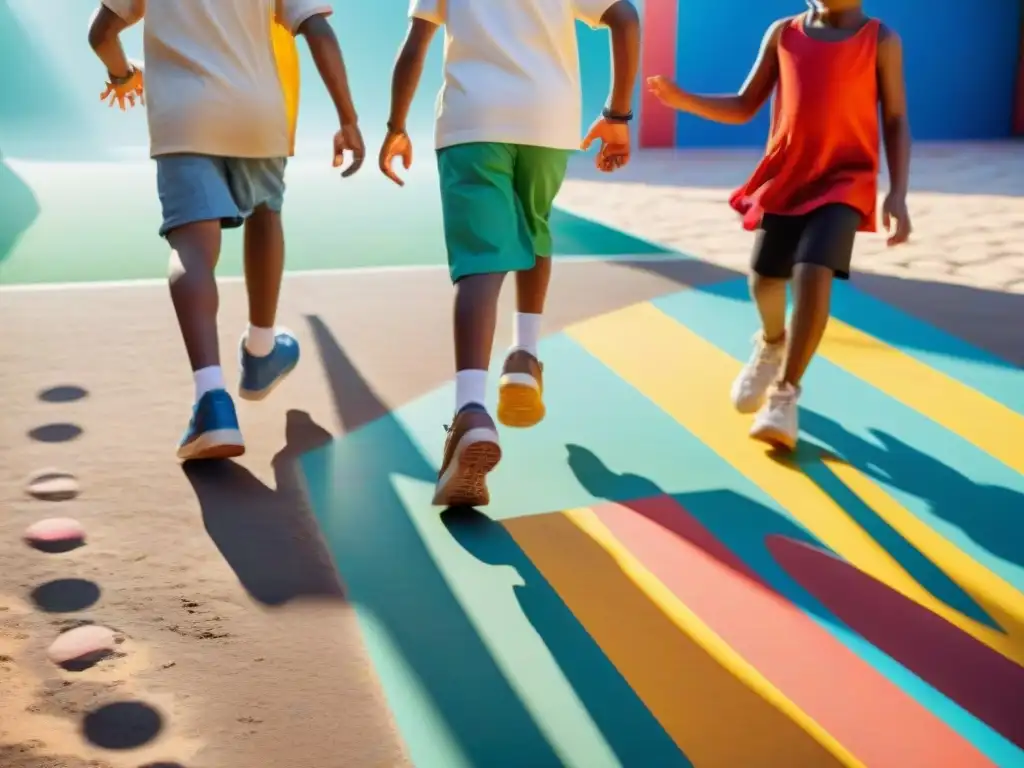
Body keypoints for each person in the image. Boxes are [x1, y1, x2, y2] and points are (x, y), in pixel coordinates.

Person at [380, 0, 641, 507]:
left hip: (473, 120)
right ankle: (525, 355)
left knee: (482, 259)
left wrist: (396, 125)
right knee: (534, 226)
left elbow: (416, 44)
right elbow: (625, 17)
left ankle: (471, 411)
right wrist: (617, 114)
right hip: (548, 121)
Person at [88, 0, 364, 460]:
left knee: (192, 246)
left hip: (185, 115)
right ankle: (260, 348)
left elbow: (101, 33)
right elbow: (316, 30)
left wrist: (122, 75)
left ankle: (211, 399)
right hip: (256, 112)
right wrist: (348, 119)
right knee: (265, 213)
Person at [648, 0, 911, 451]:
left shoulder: (880, 40)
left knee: (813, 271)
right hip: (788, 177)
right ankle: (772, 342)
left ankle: (785, 395)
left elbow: (895, 118)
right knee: (764, 281)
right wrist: (683, 99)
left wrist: (898, 193)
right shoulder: (783, 33)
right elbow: (744, 105)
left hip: (846, 179)